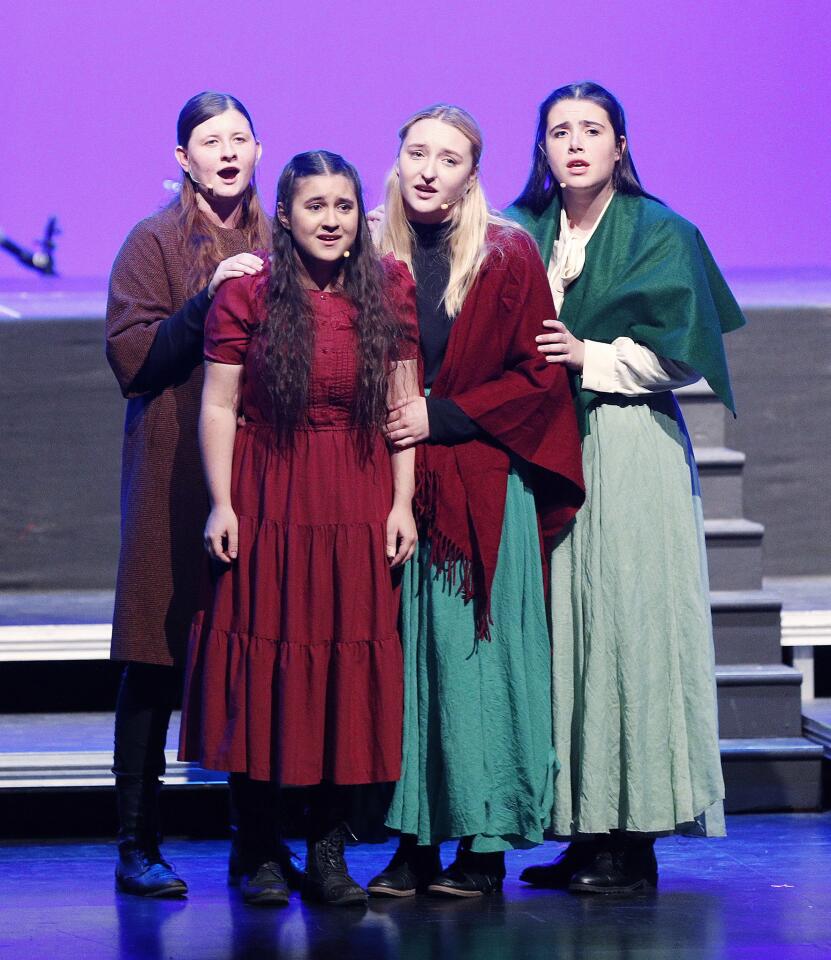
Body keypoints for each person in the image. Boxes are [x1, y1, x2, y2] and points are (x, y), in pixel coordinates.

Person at [506, 81, 745, 894]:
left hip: (625, 442)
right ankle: (582, 826)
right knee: (567, 635)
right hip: (544, 450)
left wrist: (590, 357)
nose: (574, 144)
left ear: (619, 146)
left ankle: (632, 839)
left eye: (591, 130)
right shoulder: (520, 230)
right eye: (558, 131)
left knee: (628, 631)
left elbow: (684, 357)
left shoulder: (661, 232)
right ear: (540, 149)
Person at [178, 150, 419, 907]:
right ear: (284, 215)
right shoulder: (249, 291)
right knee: (267, 664)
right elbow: (218, 405)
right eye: (314, 205)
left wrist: (402, 503)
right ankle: (256, 847)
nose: (331, 220)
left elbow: (403, 410)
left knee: (345, 671)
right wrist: (223, 502)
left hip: (355, 490)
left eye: (344, 206)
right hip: (270, 491)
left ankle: (326, 849)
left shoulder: (389, 287)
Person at [365, 105, 584, 899]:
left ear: (471, 174)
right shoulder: (369, 247)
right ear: (396, 159)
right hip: (396, 486)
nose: (428, 169)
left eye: (448, 158)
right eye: (415, 151)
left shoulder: (505, 252)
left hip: (485, 489)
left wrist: (442, 416)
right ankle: (414, 843)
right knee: (407, 669)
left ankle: (484, 847)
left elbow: (536, 377)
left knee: (479, 669)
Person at [105, 91, 287, 899]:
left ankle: (256, 847)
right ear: (183, 158)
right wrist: (207, 293)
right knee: (153, 656)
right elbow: (135, 362)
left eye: (240, 138)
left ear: (256, 152)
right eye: (209, 141)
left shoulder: (282, 236)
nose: (226, 151)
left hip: (265, 465)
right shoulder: (151, 242)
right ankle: (137, 844)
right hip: (176, 463)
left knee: (256, 648)